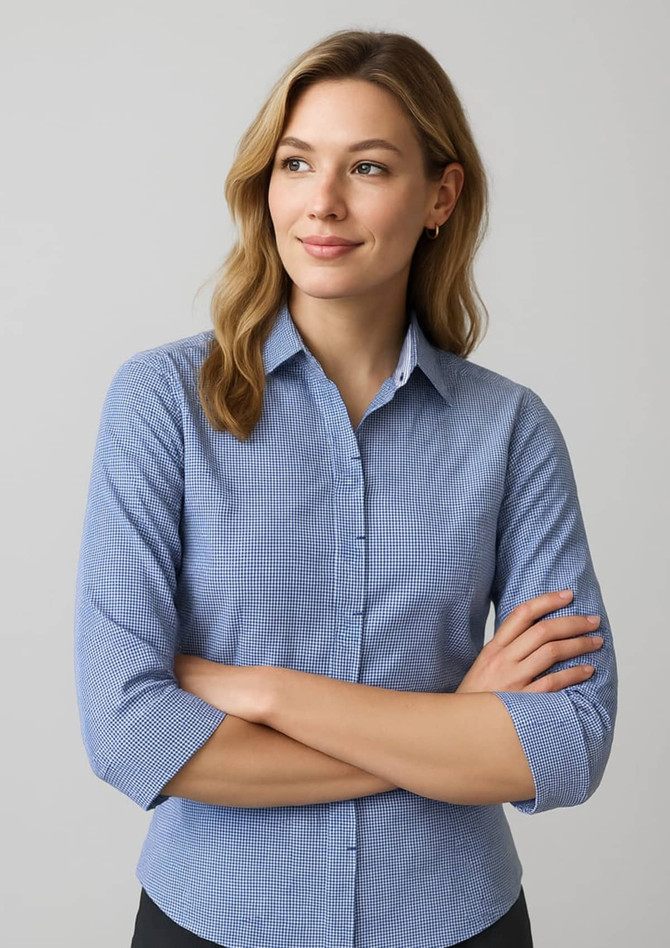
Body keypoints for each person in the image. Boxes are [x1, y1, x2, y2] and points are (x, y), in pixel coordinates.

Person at [73, 28, 618, 948]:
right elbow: (129, 733)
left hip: (457, 922)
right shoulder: (161, 402)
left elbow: (568, 744)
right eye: (296, 163)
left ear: (440, 195)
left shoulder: (510, 431)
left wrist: (268, 694)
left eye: (367, 167)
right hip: (212, 920)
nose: (321, 203)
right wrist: (450, 734)